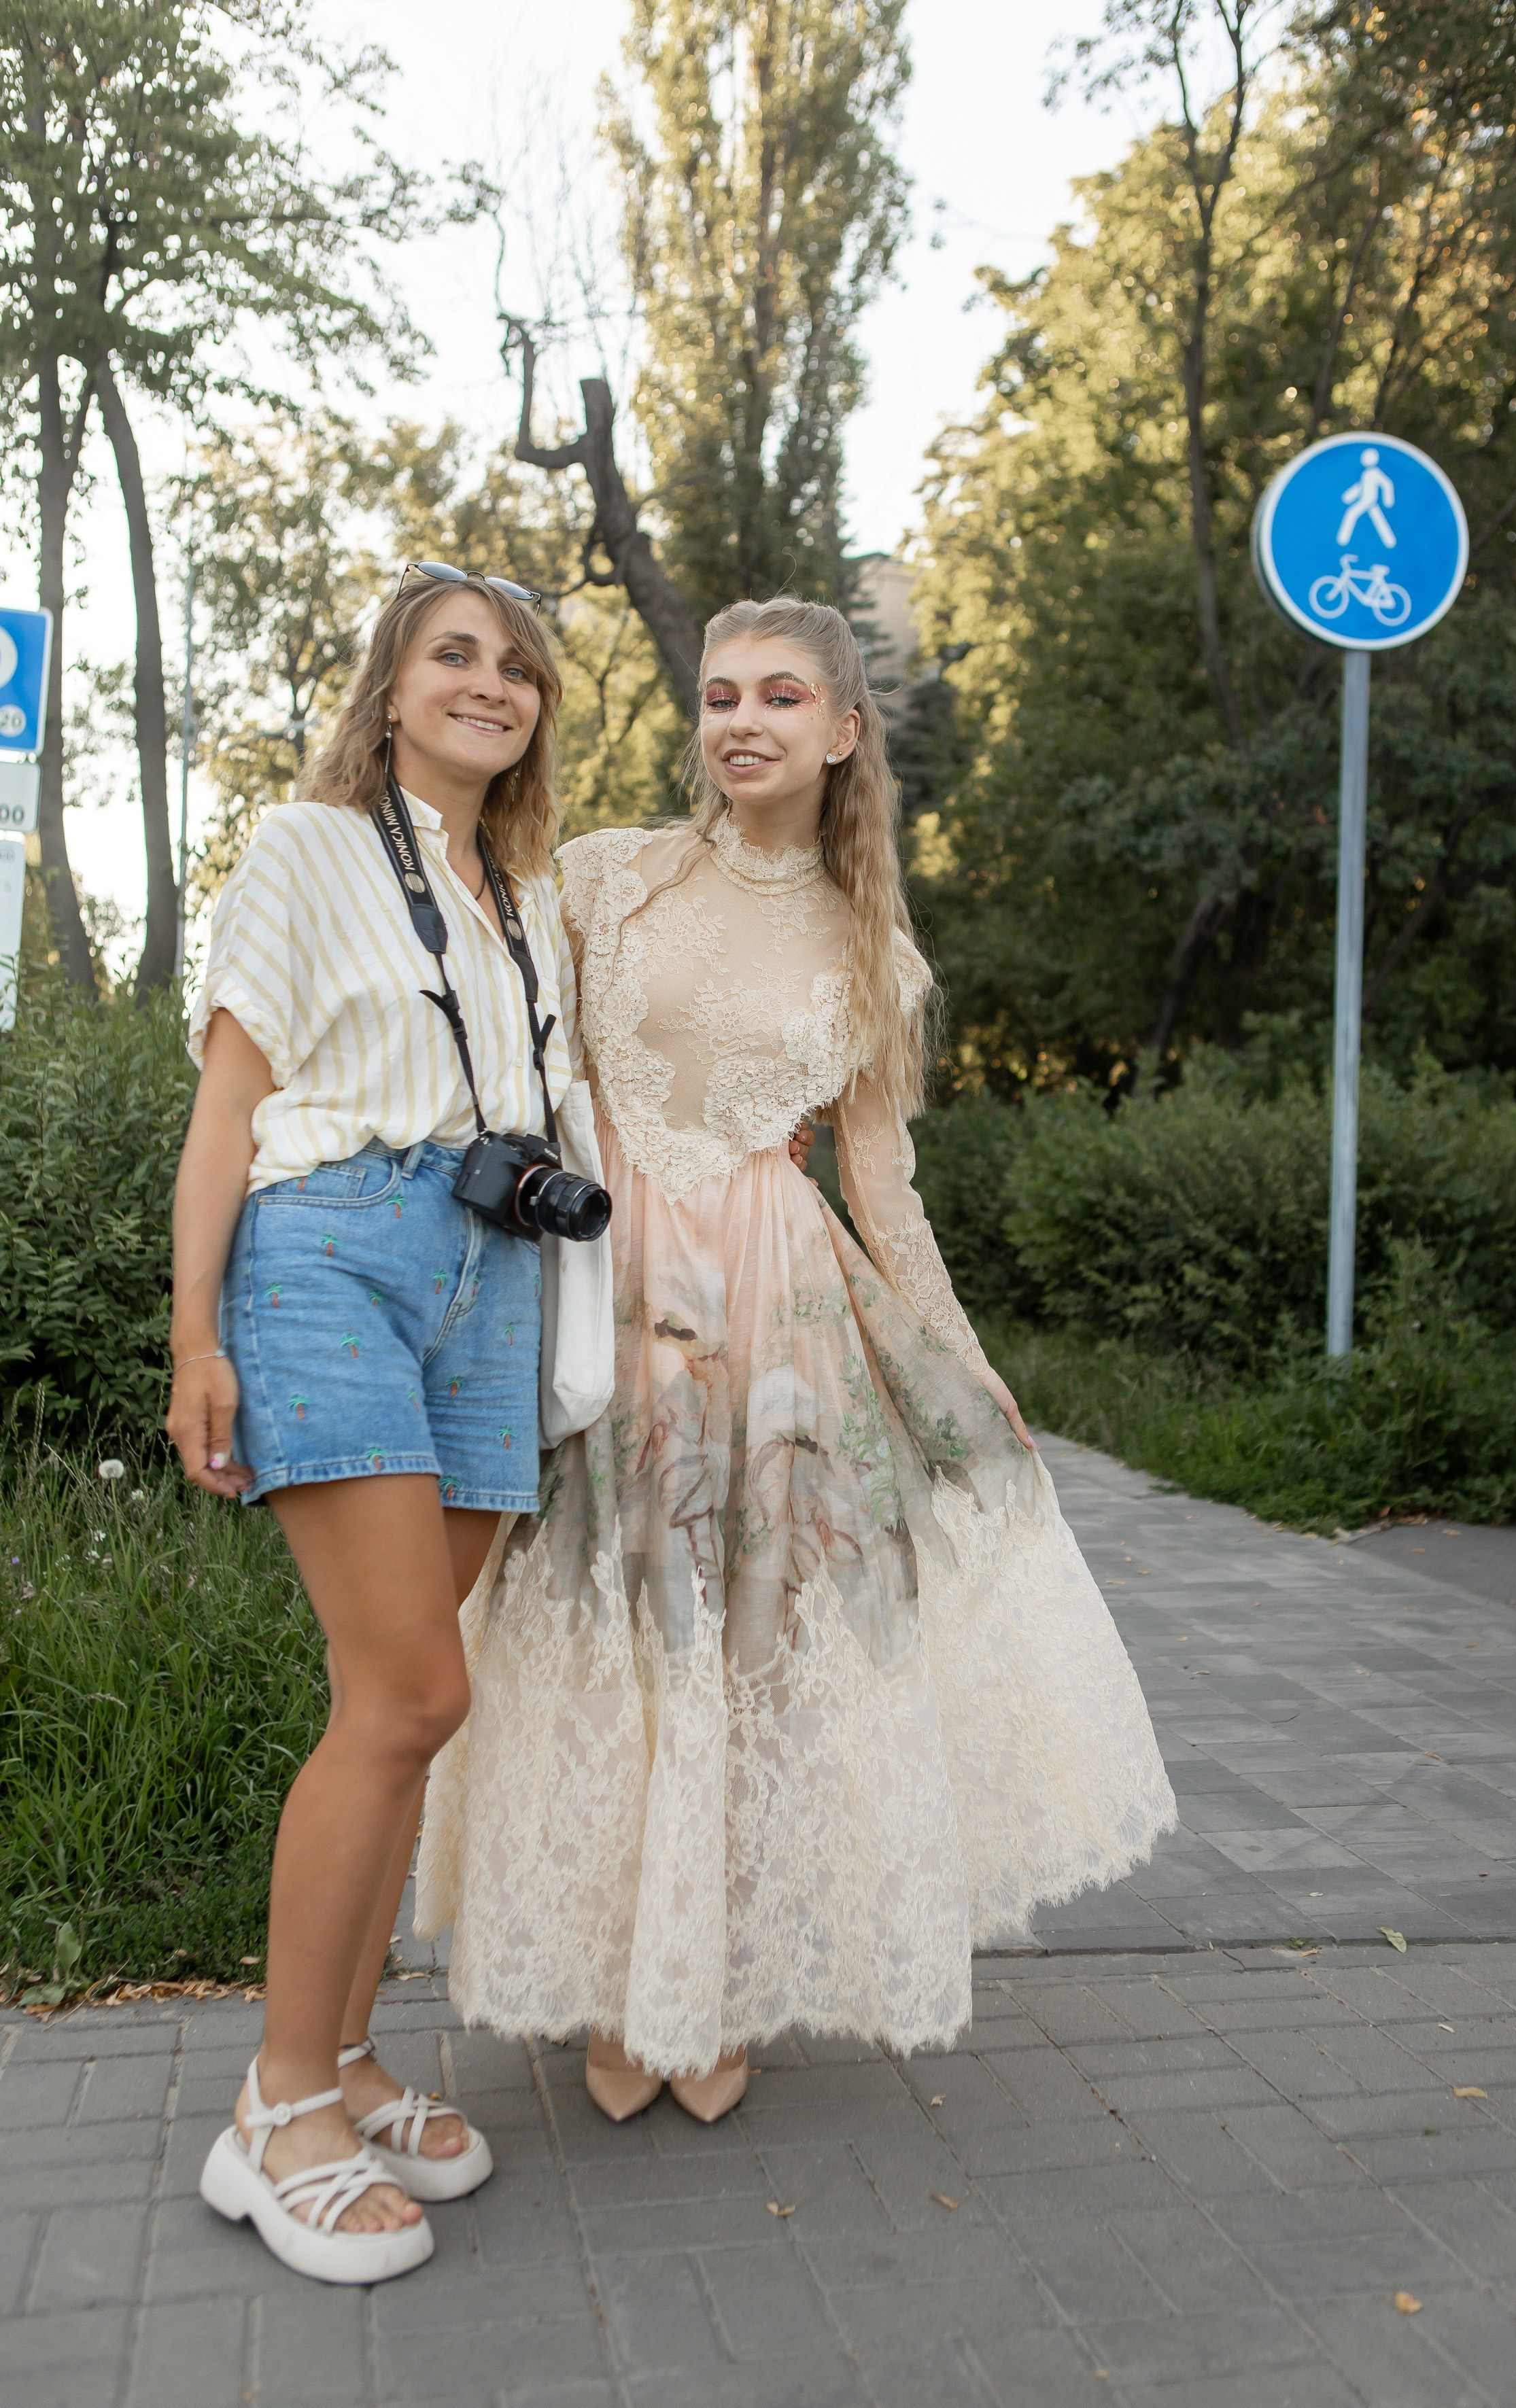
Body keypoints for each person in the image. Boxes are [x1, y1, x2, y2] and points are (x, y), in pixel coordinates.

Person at [418, 597, 1175, 2123]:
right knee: (606, 1626)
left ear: (840, 729)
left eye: (777, 695)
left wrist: (967, 1363)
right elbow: (506, 1062)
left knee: (747, 1643)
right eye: (716, 694)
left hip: (779, 1320)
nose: (739, 720)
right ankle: (611, 1978)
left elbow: (881, 1184)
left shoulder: (868, 949)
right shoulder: (605, 873)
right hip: (597, 1300)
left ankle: (715, 1987)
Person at [167, 564, 576, 2282]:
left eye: (517, 666)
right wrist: (190, 1327)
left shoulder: (530, 891)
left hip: (493, 1280)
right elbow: (229, 1100)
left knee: (395, 1708)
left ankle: (337, 2056)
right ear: (390, 688)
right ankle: (271, 2106)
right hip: (333, 1246)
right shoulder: (308, 845)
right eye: (452, 654)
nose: (488, 683)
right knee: (415, 1687)